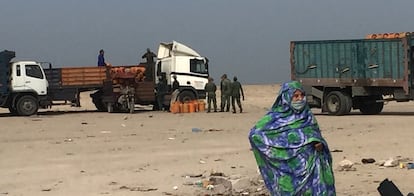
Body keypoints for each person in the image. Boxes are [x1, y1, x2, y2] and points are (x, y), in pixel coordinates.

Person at [248, 81, 335, 195]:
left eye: (302, 95)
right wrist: (283, 150)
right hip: (288, 170)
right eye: (296, 96)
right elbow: (255, 135)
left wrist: (320, 144)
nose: (300, 99)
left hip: (312, 168)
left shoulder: (307, 116)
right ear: (286, 97)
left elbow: (316, 136)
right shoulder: (274, 118)